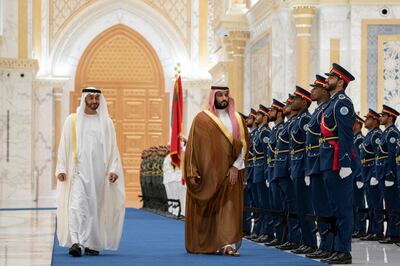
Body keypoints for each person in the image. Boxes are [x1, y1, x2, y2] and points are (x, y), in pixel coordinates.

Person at [56, 87, 125, 257]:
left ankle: (91, 243)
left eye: (97, 98)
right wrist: (62, 168)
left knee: (94, 207)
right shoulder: (72, 120)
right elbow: (63, 145)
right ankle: (76, 241)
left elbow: (112, 149)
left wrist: (113, 169)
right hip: (77, 172)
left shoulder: (106, 122)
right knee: (76, 205)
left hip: (98, 173)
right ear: (84, 99)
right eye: (91, 98)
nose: (94, 101)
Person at [184, 86, 249, 256]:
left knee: (229, 208)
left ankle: (228, 244)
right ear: (213, 97)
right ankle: (212, 244)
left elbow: (243, 145)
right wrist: (192, 170)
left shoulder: (237, 119)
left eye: (226, 94)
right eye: (219, 95)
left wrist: (236, 166)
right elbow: (193, 147)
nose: (223, 98)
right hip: (209, 175)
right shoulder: (202, 119)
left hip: (232, 173)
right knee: (211, 211)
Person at [320, 63, 355, 264]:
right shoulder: (332, 103)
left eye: (331, 77)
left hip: (337, 160)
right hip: (328, 158)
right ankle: (336, 247)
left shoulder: (343, 103)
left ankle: (344, 250)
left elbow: (346, 135)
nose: (327, 80)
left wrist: (345, 162)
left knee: (342, 207)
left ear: (340, 81)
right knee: (334, 207)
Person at [305, 75, 334, 259]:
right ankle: (323, 243)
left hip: (322, 161)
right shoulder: (318, 111)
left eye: (315, 88)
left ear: (324, 90)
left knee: (326, 206)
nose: (312, 91)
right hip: (314, 163)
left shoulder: (326, 109)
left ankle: (329, 244)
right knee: (319, 206)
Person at [288, 86, 317, 255]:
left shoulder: (305, 119)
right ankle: (305, 241)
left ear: (304, 102)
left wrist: (307, 169)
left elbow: (308, 146)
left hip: (302, 166)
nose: (293, 101)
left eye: (297, 99)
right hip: (296, 166)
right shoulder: (298, 119)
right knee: (299, 206)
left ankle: (311, 242)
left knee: (306, 207)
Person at [274, 94, 301, 251]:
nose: (286, 107)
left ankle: (296, 238)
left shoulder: (298, 122)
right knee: (286, 205)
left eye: (288, 104)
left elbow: (297, 148)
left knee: (294, 205)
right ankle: (288, 237)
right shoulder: (288, 124)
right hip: (283, 169)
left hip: (290, 168)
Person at [376, 105, 400, 244]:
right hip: (382, 172)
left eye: (383, 116)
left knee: (393, 205)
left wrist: (390, 175)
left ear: (390, 117)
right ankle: (390, 232)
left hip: (388, 173)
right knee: (389, 205)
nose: (381, 118)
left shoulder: (392, 133)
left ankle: (395, 234)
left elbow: (392, 156)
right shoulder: (386, 133)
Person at [359, 109, 384, 241]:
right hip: (366, 172)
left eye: (368, 119)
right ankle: (372, 230)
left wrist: (375, 174)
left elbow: (378, 156)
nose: (365, 121)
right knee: (371, 204)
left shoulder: (376, 135)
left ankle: (378, 231)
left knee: (376, 203)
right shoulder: (369, 135)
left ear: (375, 120)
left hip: (372, 172)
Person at [265, 99, 286, 247]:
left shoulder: (281, 128)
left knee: (282, 204)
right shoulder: (274, 130)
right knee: (274, 205)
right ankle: (278, 235)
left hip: (280, 169)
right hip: (272, 170)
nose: (269, 113)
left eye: (272, 110)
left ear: (279, 112)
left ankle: (284, 236)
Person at [252, 104, 275, 243]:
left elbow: (268, 154)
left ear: (265, 117)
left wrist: (267, 172)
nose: (256, 117)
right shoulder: (260, 132)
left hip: (262, 169)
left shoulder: (265, 132)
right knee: (259, 203)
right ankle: (261, 230)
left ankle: (267, 231)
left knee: (265, 203)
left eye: (259, 115)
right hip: (257, 169)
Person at [352, 115, 367, 238]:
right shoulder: (353, 139)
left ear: (358, 124)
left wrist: (359, 177)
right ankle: (355, 226)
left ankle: (361, 228)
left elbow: (360, 161)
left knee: (359, 203)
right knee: (352, 203)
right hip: (351, 176)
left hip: (357, 176)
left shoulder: (360, 139)